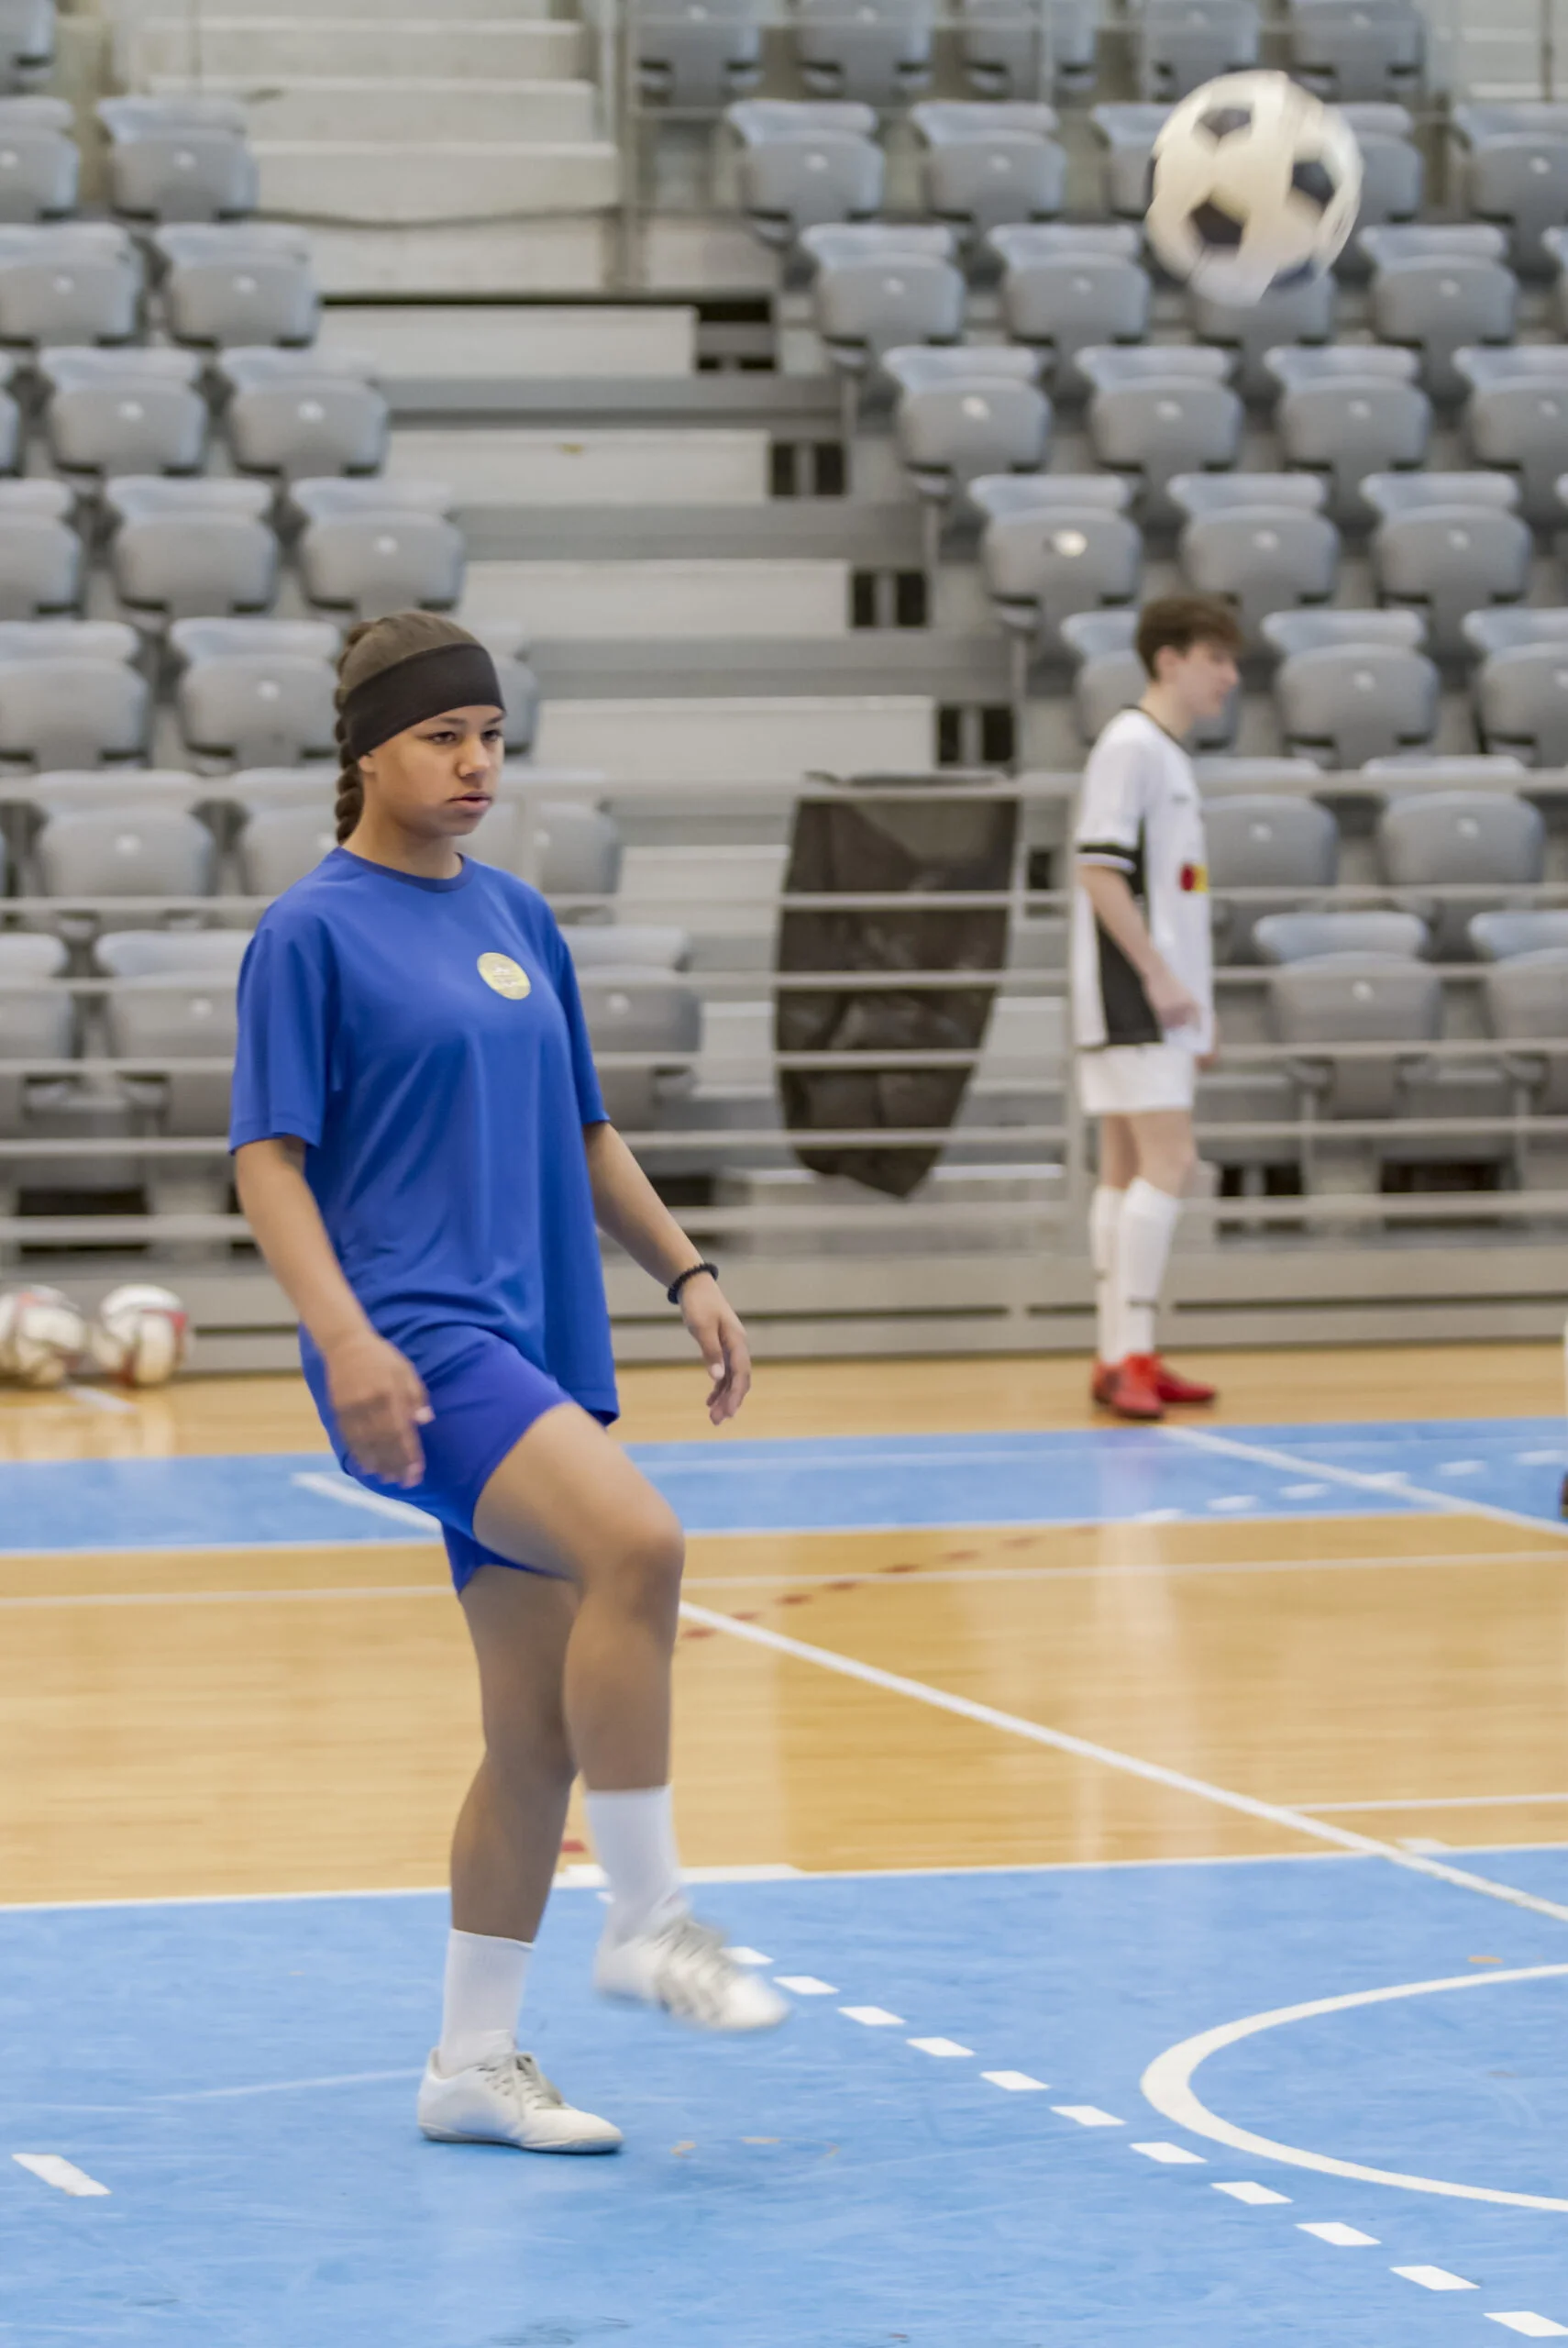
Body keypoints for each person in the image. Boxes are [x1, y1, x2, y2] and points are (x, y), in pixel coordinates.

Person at [229, 611, 788, 2161]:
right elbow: (267, 1162)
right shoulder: (309, 934)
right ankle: (650, 1915)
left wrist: (687, 1272)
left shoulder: (518, 916)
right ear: (367, 752)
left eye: (489, 735)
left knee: (535, 1734)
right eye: (442, 737)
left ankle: (470, 2063)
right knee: (641, 1545)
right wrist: (345, 1337)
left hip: (534, 1337)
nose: (476, 764)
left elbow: (586, 1127)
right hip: (418, 1341)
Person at [1071, 594, 1242, 1423]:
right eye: (1217, 659)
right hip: (1133, 997)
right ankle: (1130, 1350)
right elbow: (1098, 870)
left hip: (1151, 998)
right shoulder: (1131, 745)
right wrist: (1160, 981)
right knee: (1170, 1161)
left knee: (1125, 1169)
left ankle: (1118, 1354)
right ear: (1170, 659)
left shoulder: (1161, 753)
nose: (1230, 678)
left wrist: (1194, 1001)